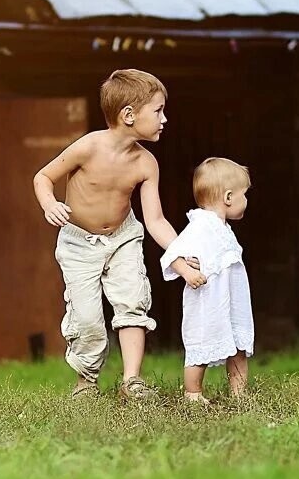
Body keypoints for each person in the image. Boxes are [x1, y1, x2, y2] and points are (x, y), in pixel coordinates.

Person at [32, 69, 198, 400]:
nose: (164, 119)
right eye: (158, 111)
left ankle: (132, 380)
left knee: (133, 299)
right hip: (79, 243)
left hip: (123, 237)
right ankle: (87, 381)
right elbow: (43, 176)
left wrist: (181, 256)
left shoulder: (146, 163)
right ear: (128, 115)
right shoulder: (88, 147)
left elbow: (155, 220)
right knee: (87, 317)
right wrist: (49, 204)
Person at [160, 158, 254, 404]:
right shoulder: (200, 225)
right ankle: (193, 394)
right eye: (245, 195)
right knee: (200, 348)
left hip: (232, 303)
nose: (247, 201)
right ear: (229, 197)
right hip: (208, 302)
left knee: (238, 347)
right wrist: (187, 272)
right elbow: (172, 254)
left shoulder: (222, 227)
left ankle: (239, 395)